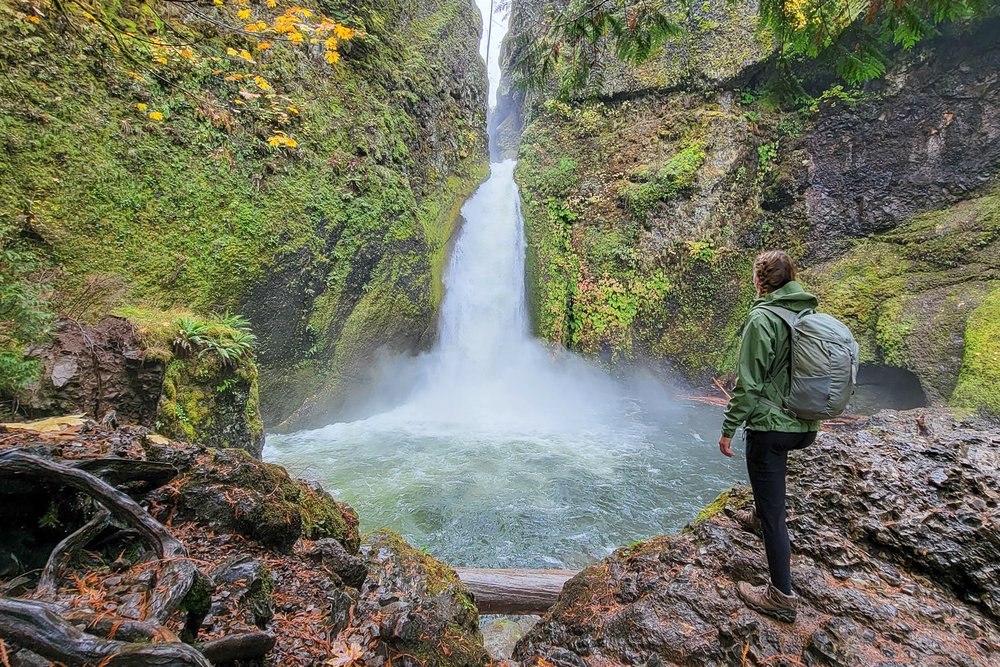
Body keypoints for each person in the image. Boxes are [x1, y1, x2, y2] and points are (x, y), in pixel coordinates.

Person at [718, 250, 819, 623]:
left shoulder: (763, 318)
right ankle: (759, 516)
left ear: (760, 281)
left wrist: (729, 428)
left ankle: (781, 595)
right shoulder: (807, 313)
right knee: (770, 494)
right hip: (805, 424)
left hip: (772, 428)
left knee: (776, 514)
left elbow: (748, 384)